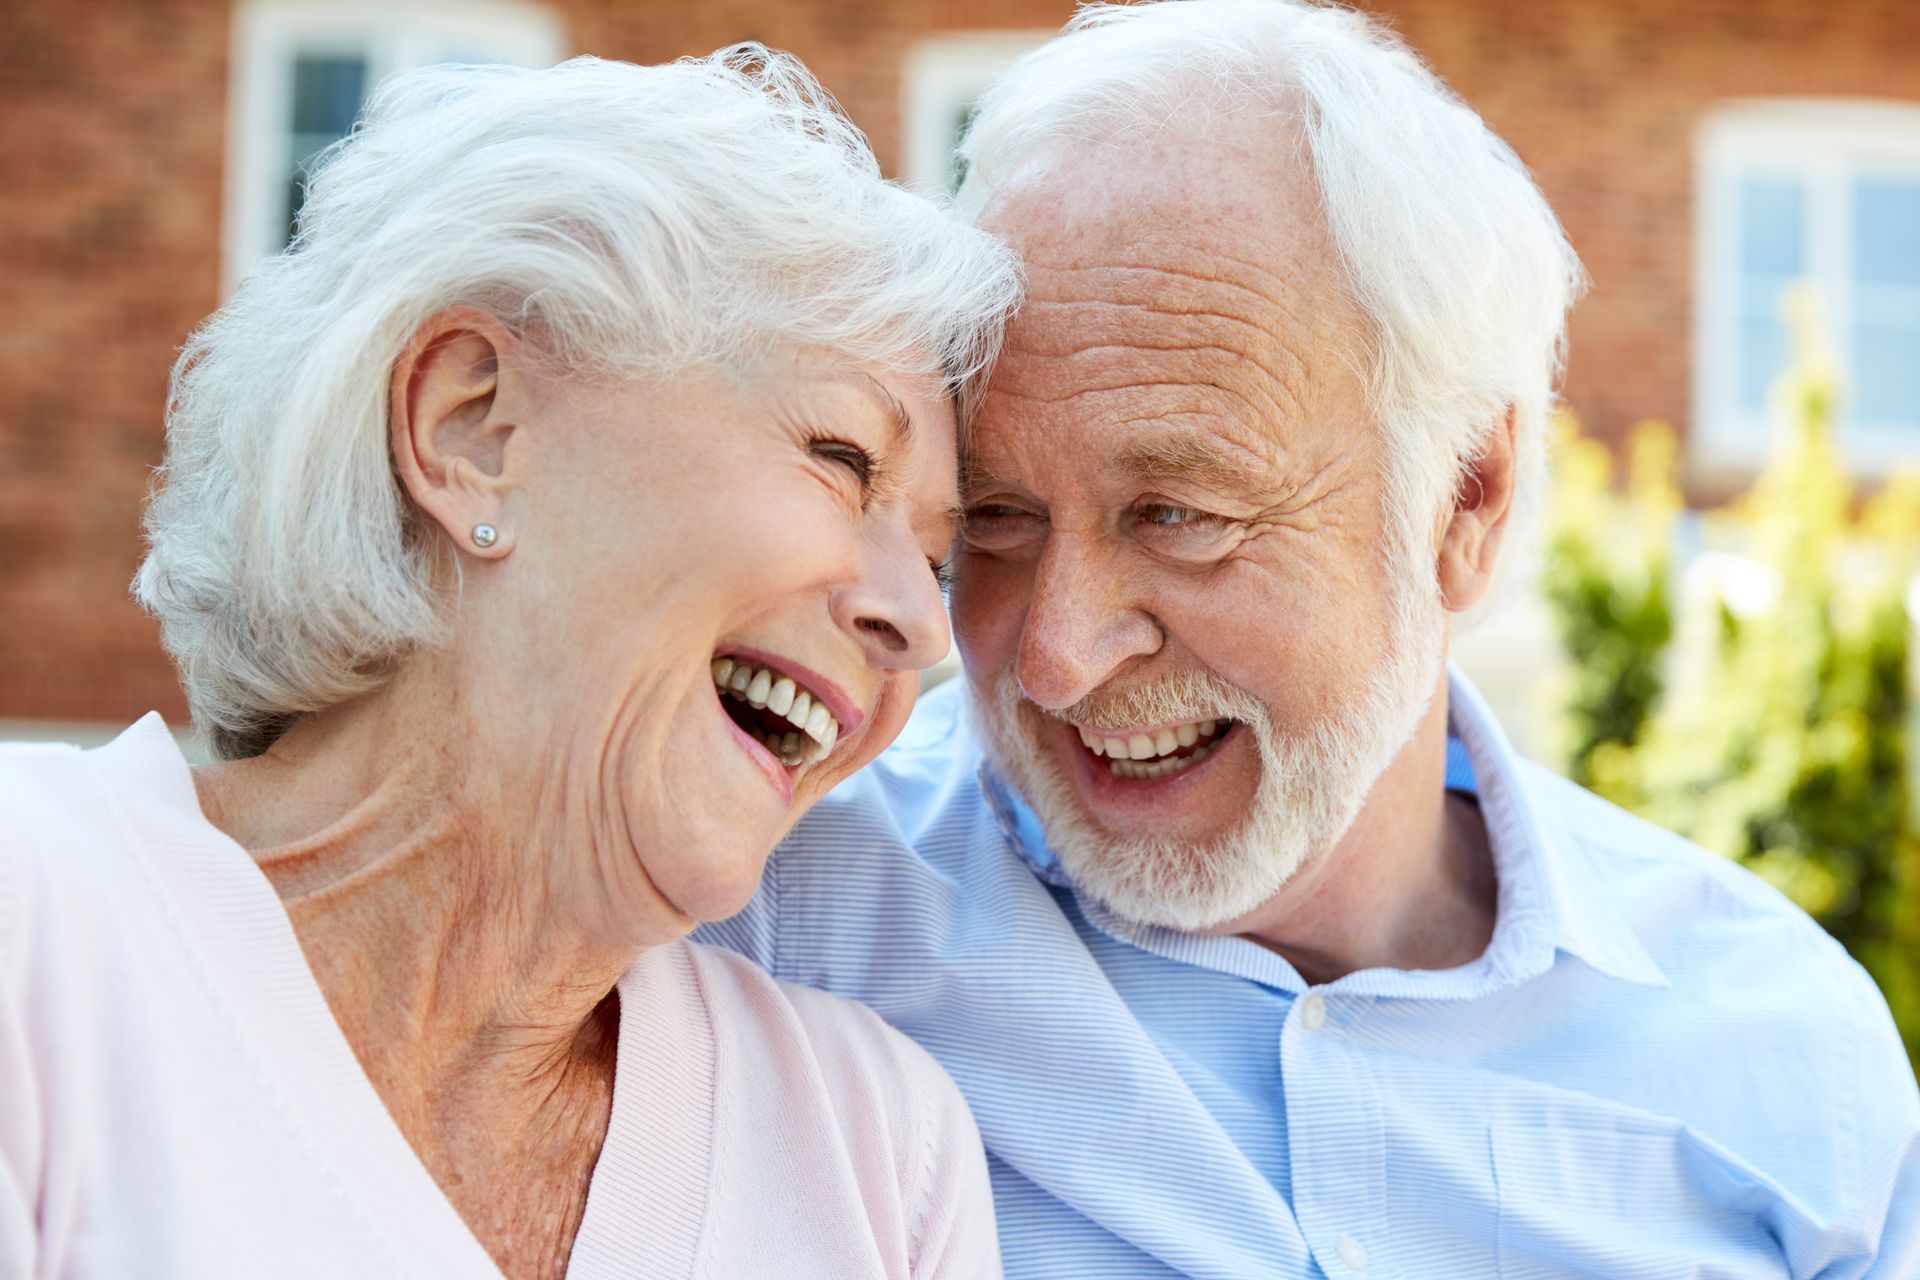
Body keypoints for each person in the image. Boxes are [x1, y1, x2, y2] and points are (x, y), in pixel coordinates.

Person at [697, 2, 1920, 1276]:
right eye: (997, 520)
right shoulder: (776, 913)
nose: (1056, 657)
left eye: (1180, 514)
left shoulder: (1791, 1060)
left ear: (1465, 500)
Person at [0, 48, 1020, 1280]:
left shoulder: (877, 1152)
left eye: (941, 559)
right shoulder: (40, 922)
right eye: (843, 457)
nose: (920, 621)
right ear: (471, 426)